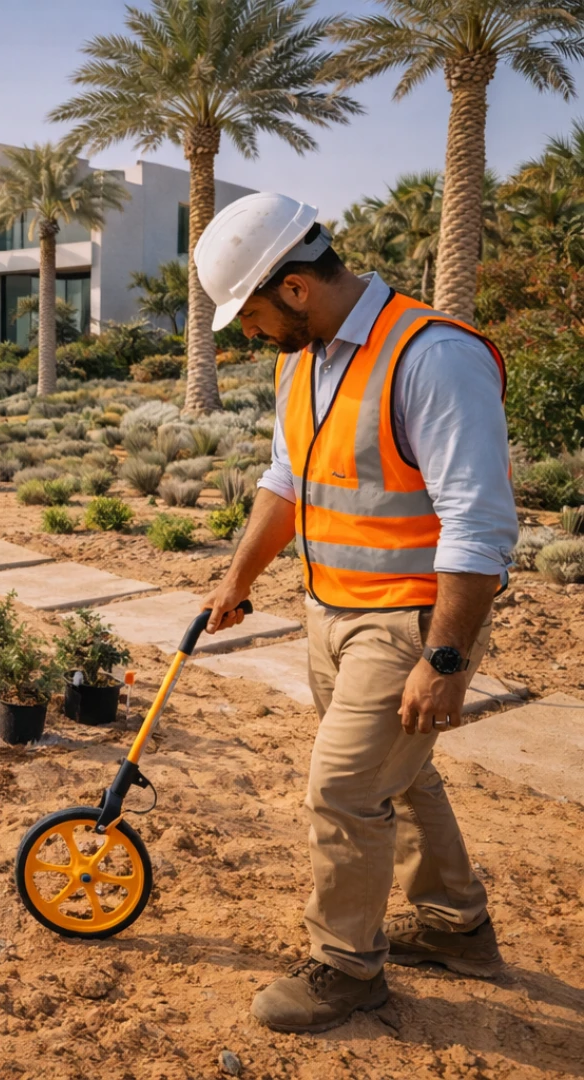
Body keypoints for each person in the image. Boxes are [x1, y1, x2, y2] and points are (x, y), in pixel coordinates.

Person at [192, 193, 518, 1033]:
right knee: (400, 778)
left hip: (411, 623)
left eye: (254, 315)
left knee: (342, 789)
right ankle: (456, 928)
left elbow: (481, 525)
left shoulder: (433, 356)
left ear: (296, 288)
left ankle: (346, 966)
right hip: (330, 613)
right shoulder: (303, 360)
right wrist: (237, 579)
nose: (252, 334)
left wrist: (443, 662)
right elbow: (285, 482)